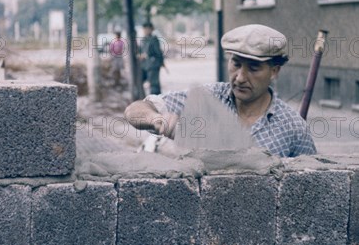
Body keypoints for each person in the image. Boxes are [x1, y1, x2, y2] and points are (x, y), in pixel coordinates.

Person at [124, 24, 316, 157]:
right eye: (236, 64)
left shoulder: (293, 128)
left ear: (274, 71)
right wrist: (158, 120)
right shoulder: (206, 99)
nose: (240, 77)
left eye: (254, 68)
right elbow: (134, 110)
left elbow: (311, 189)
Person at [139, 21, 164, 95]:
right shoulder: (143, 39)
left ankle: (156, 102)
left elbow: (158, 53)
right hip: (145, 65)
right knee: (146, 82)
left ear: (150, 29)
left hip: (153, 65)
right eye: (144, 29)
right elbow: (140, 51)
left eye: (146, 29)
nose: (144, 31)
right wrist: (141, 55)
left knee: (154, 85)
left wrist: (161, 61)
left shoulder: (154, 39)